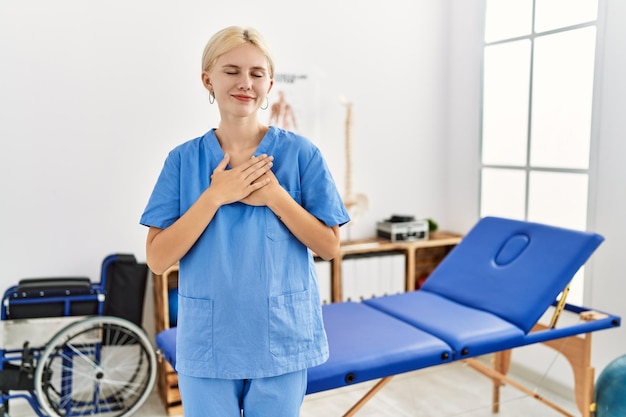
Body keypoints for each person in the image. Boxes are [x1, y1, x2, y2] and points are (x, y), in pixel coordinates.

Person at [140, 26, 350, 417]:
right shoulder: (182, 161)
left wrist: (274, 197)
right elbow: (157, 259)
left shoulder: (301, 155)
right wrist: (216, 195)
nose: (245, 83)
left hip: (281, 338)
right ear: (208, 79)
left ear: (270, 82)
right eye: (231, 70)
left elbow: (329, 247)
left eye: (256, 73)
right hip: (209, 341)